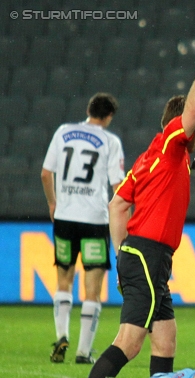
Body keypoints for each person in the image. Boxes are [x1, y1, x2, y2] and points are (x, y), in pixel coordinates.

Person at [56, 28, 195, 378]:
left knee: (164, 337)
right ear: (186, 122)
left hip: (141, 255)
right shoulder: (171, 143)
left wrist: (121, 258)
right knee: (130, 340)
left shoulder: (148, 159)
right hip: (148, 254)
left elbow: (117, 206)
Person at [41, 93, 125, 364]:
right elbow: (118, 186)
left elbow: (45, 173)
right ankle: (83, 352)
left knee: (64, 281)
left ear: (89, 111)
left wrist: (53, 204)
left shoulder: (63, 132)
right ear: (109, 116)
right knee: (92, 289)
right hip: (94, 220)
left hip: (65, 219)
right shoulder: (110, 142)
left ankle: (61, 335)